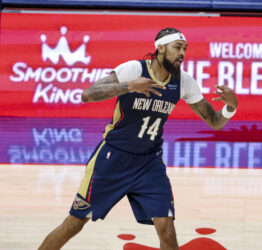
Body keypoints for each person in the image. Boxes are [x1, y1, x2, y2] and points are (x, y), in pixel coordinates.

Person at [38, 27, 237, 250]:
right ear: (160, 48)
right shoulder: (133, 69)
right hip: (112, 159)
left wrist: (230, 107)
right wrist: (129, 86)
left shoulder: (184, 82)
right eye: (177, 47)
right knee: (74, 223)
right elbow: (88, 94)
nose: (182, 53)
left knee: (167, 231)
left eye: (185, 49)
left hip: (149, 163)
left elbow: (215, 121)